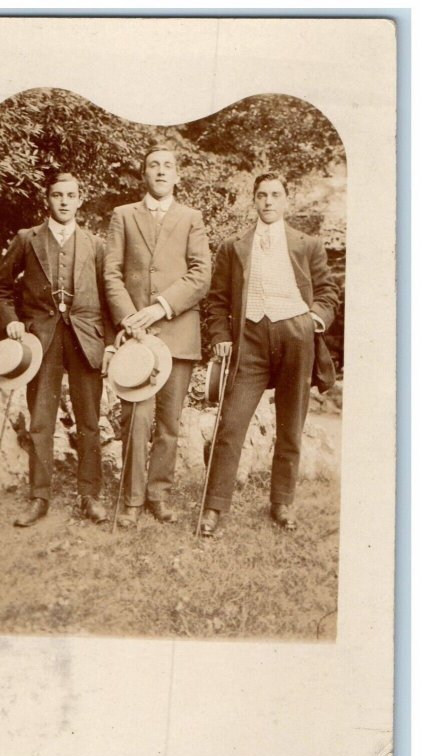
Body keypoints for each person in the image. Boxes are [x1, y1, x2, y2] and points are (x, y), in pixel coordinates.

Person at [199, 172, 339, 535]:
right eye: (262, 195)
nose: (268, 201)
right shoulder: (234, 246)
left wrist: (312, 322)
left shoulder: (307, 244)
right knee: (231, 423)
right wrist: (221, 335)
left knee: (290, 425)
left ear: (286, 200)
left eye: (276, 194)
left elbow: (327, 294)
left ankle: (282, 503)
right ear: (254, 200)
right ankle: (214, 507)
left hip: (296, 335)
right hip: (250, 339)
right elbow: (217, 301)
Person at [0, 170, 115, 526]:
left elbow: (108, 300)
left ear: (79, 199)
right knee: (41, 422)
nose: (63, 201)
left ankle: (90, 496)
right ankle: (39, 497)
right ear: (48, 199)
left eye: (70, 195)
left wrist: (107, 344)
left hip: (85, 338)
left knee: (89, 421)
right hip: (40, 340)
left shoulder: (94, 244)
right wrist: (11, 320)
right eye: (57, 195)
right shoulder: (27, 239)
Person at [104, 142, 211, 528]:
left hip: (178, 334)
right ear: (144, 174)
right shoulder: (123, 216)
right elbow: (111, 272)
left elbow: (201, 274)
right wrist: (131, 318)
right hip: (136, 337)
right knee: (136, 417)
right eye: (154, 166)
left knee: (169, 422)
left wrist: (161, 307)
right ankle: (131, 499)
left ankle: (158, 495)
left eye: (168, 166)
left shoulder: (191, 218)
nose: (161, 171)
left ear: (177, 174)